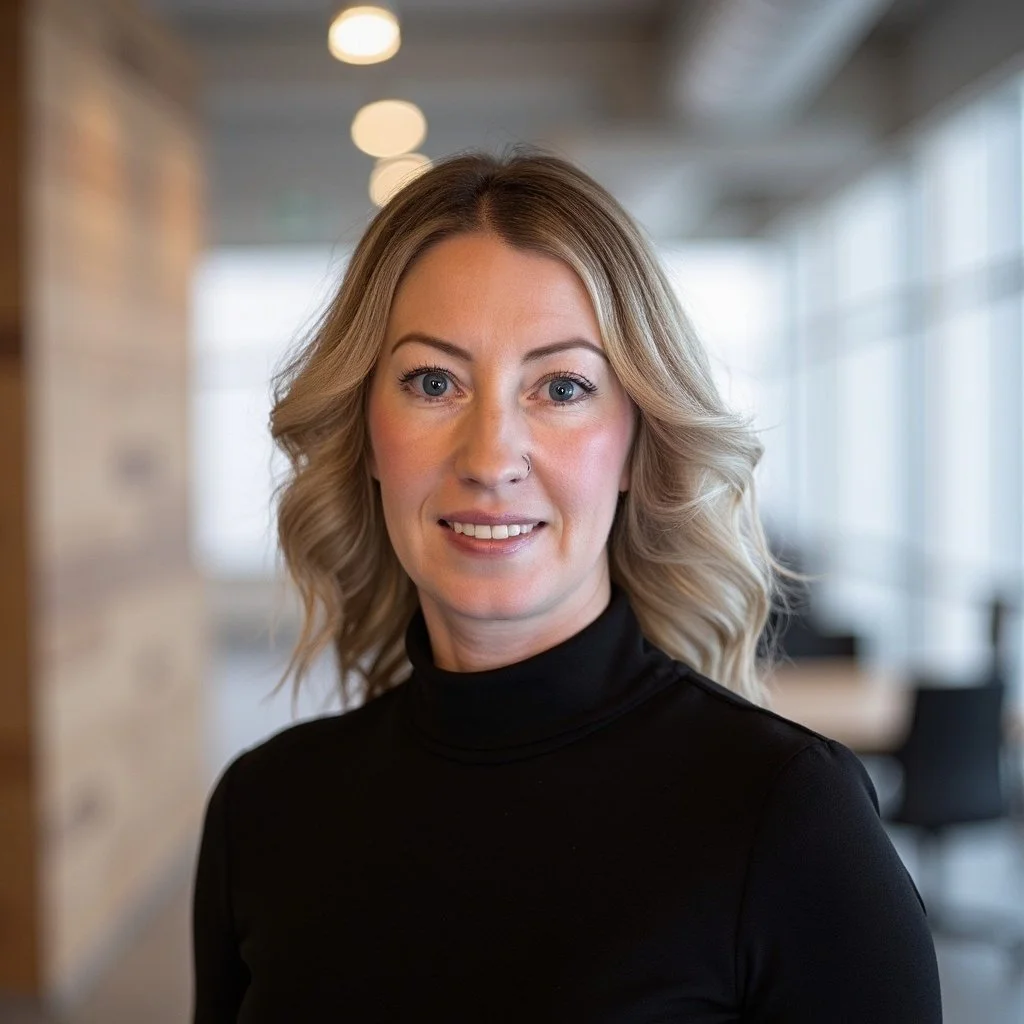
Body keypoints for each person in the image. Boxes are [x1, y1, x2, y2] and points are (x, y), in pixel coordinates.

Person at [191, 150, 942, 1022]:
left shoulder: (788, 816)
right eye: (434, 382)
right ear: (366, 431)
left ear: (636, 443)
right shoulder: (266, 811)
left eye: (561, 387)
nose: (489, 459)